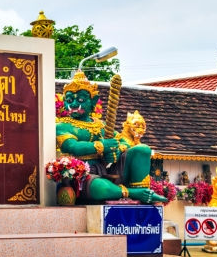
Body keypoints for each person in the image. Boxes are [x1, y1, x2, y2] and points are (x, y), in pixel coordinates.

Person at [56, 70, 166, 203]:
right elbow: (73, 147)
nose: (73, 104)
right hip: (82, 176)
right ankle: (134, 193)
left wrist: (117, 150)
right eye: (69, 100)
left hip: (106, 171)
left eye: (80, 99)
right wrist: (102, 146)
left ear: (93, 102)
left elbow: (124, 140)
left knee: (142, 149)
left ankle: (143, 193)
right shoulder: (62, 125)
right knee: (99, 186)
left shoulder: (101, 126)